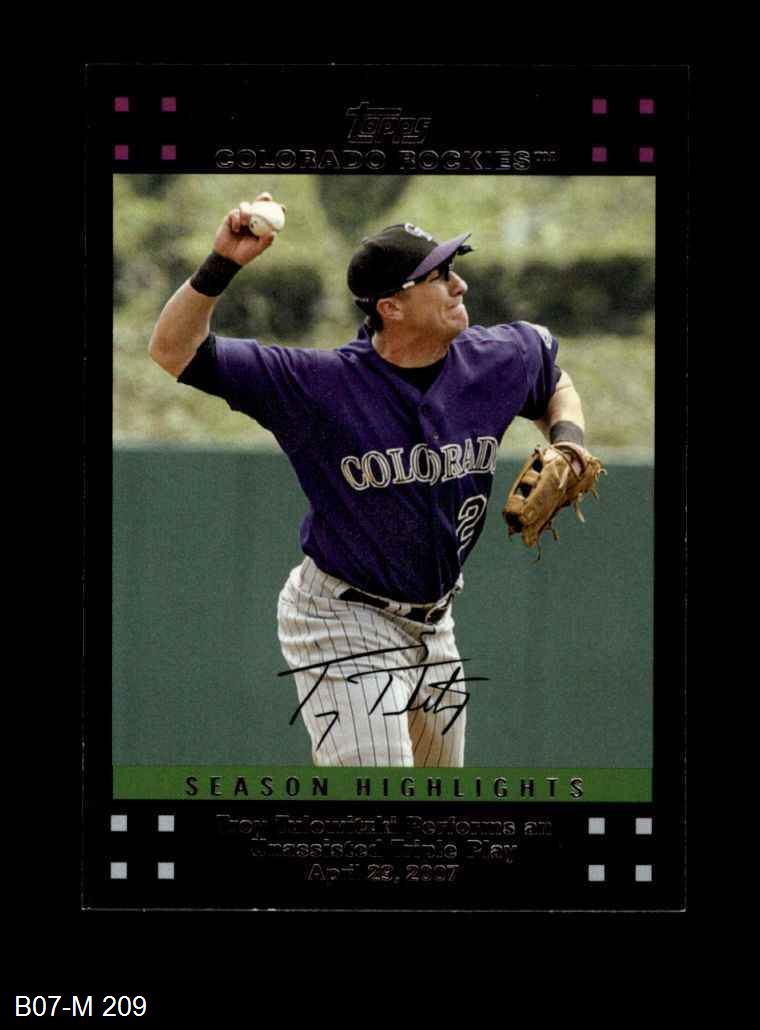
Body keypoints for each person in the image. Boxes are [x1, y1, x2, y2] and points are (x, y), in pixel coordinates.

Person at [149, 191, 589, 769]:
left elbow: (553, 379)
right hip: (342, 618)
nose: (459, 285)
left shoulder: (495, 359)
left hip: (436, 626)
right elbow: (173, 350)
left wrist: (569, 442)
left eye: (453, 270)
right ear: (391, 307)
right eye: (438, 276)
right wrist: (222, 262)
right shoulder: (318, 386)